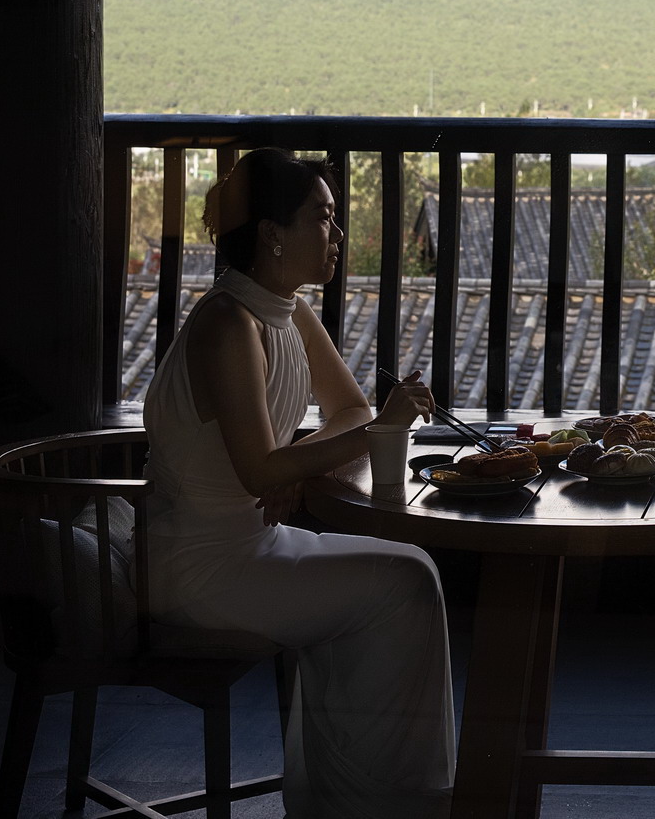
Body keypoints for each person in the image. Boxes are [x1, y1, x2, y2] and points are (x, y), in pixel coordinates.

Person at [142, 147, 454, 819]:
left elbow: (347, 410)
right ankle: (377, 802)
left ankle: (352, 798)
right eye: (324, 218)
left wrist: (301, 457)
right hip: (204, 565)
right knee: (404, 586)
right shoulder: (229, 323)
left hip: (257, 541)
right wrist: (306, 457)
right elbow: (261, 468)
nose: (337, 236)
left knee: (413, 571)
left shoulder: (287, 311)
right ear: (272, 233)